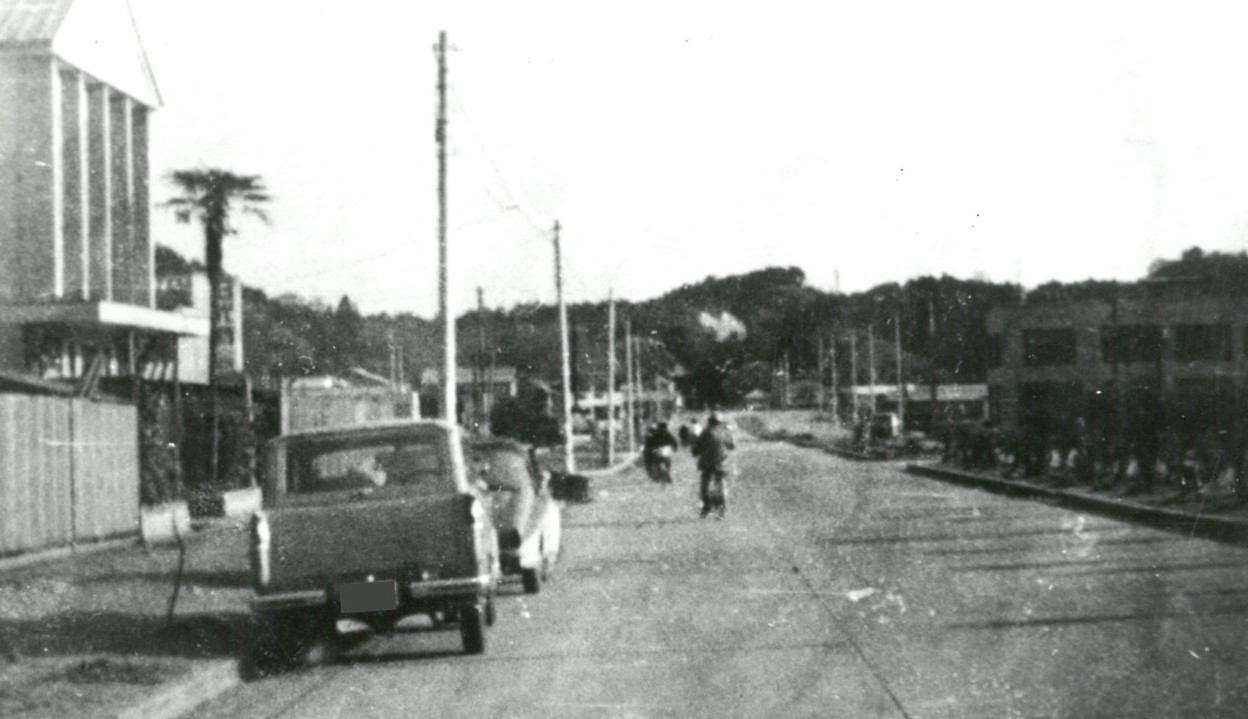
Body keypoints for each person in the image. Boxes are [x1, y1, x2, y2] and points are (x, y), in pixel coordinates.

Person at [692, 413, 735, 518]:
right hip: (721, 463)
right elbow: (732, 445)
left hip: (707, 463)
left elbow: (696, 449)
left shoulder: (705, 432)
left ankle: (706, 508)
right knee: (721, 484)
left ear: (709, 422)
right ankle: (722, 508)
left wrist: (696, 452)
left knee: (704, 485)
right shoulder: (724, 432)